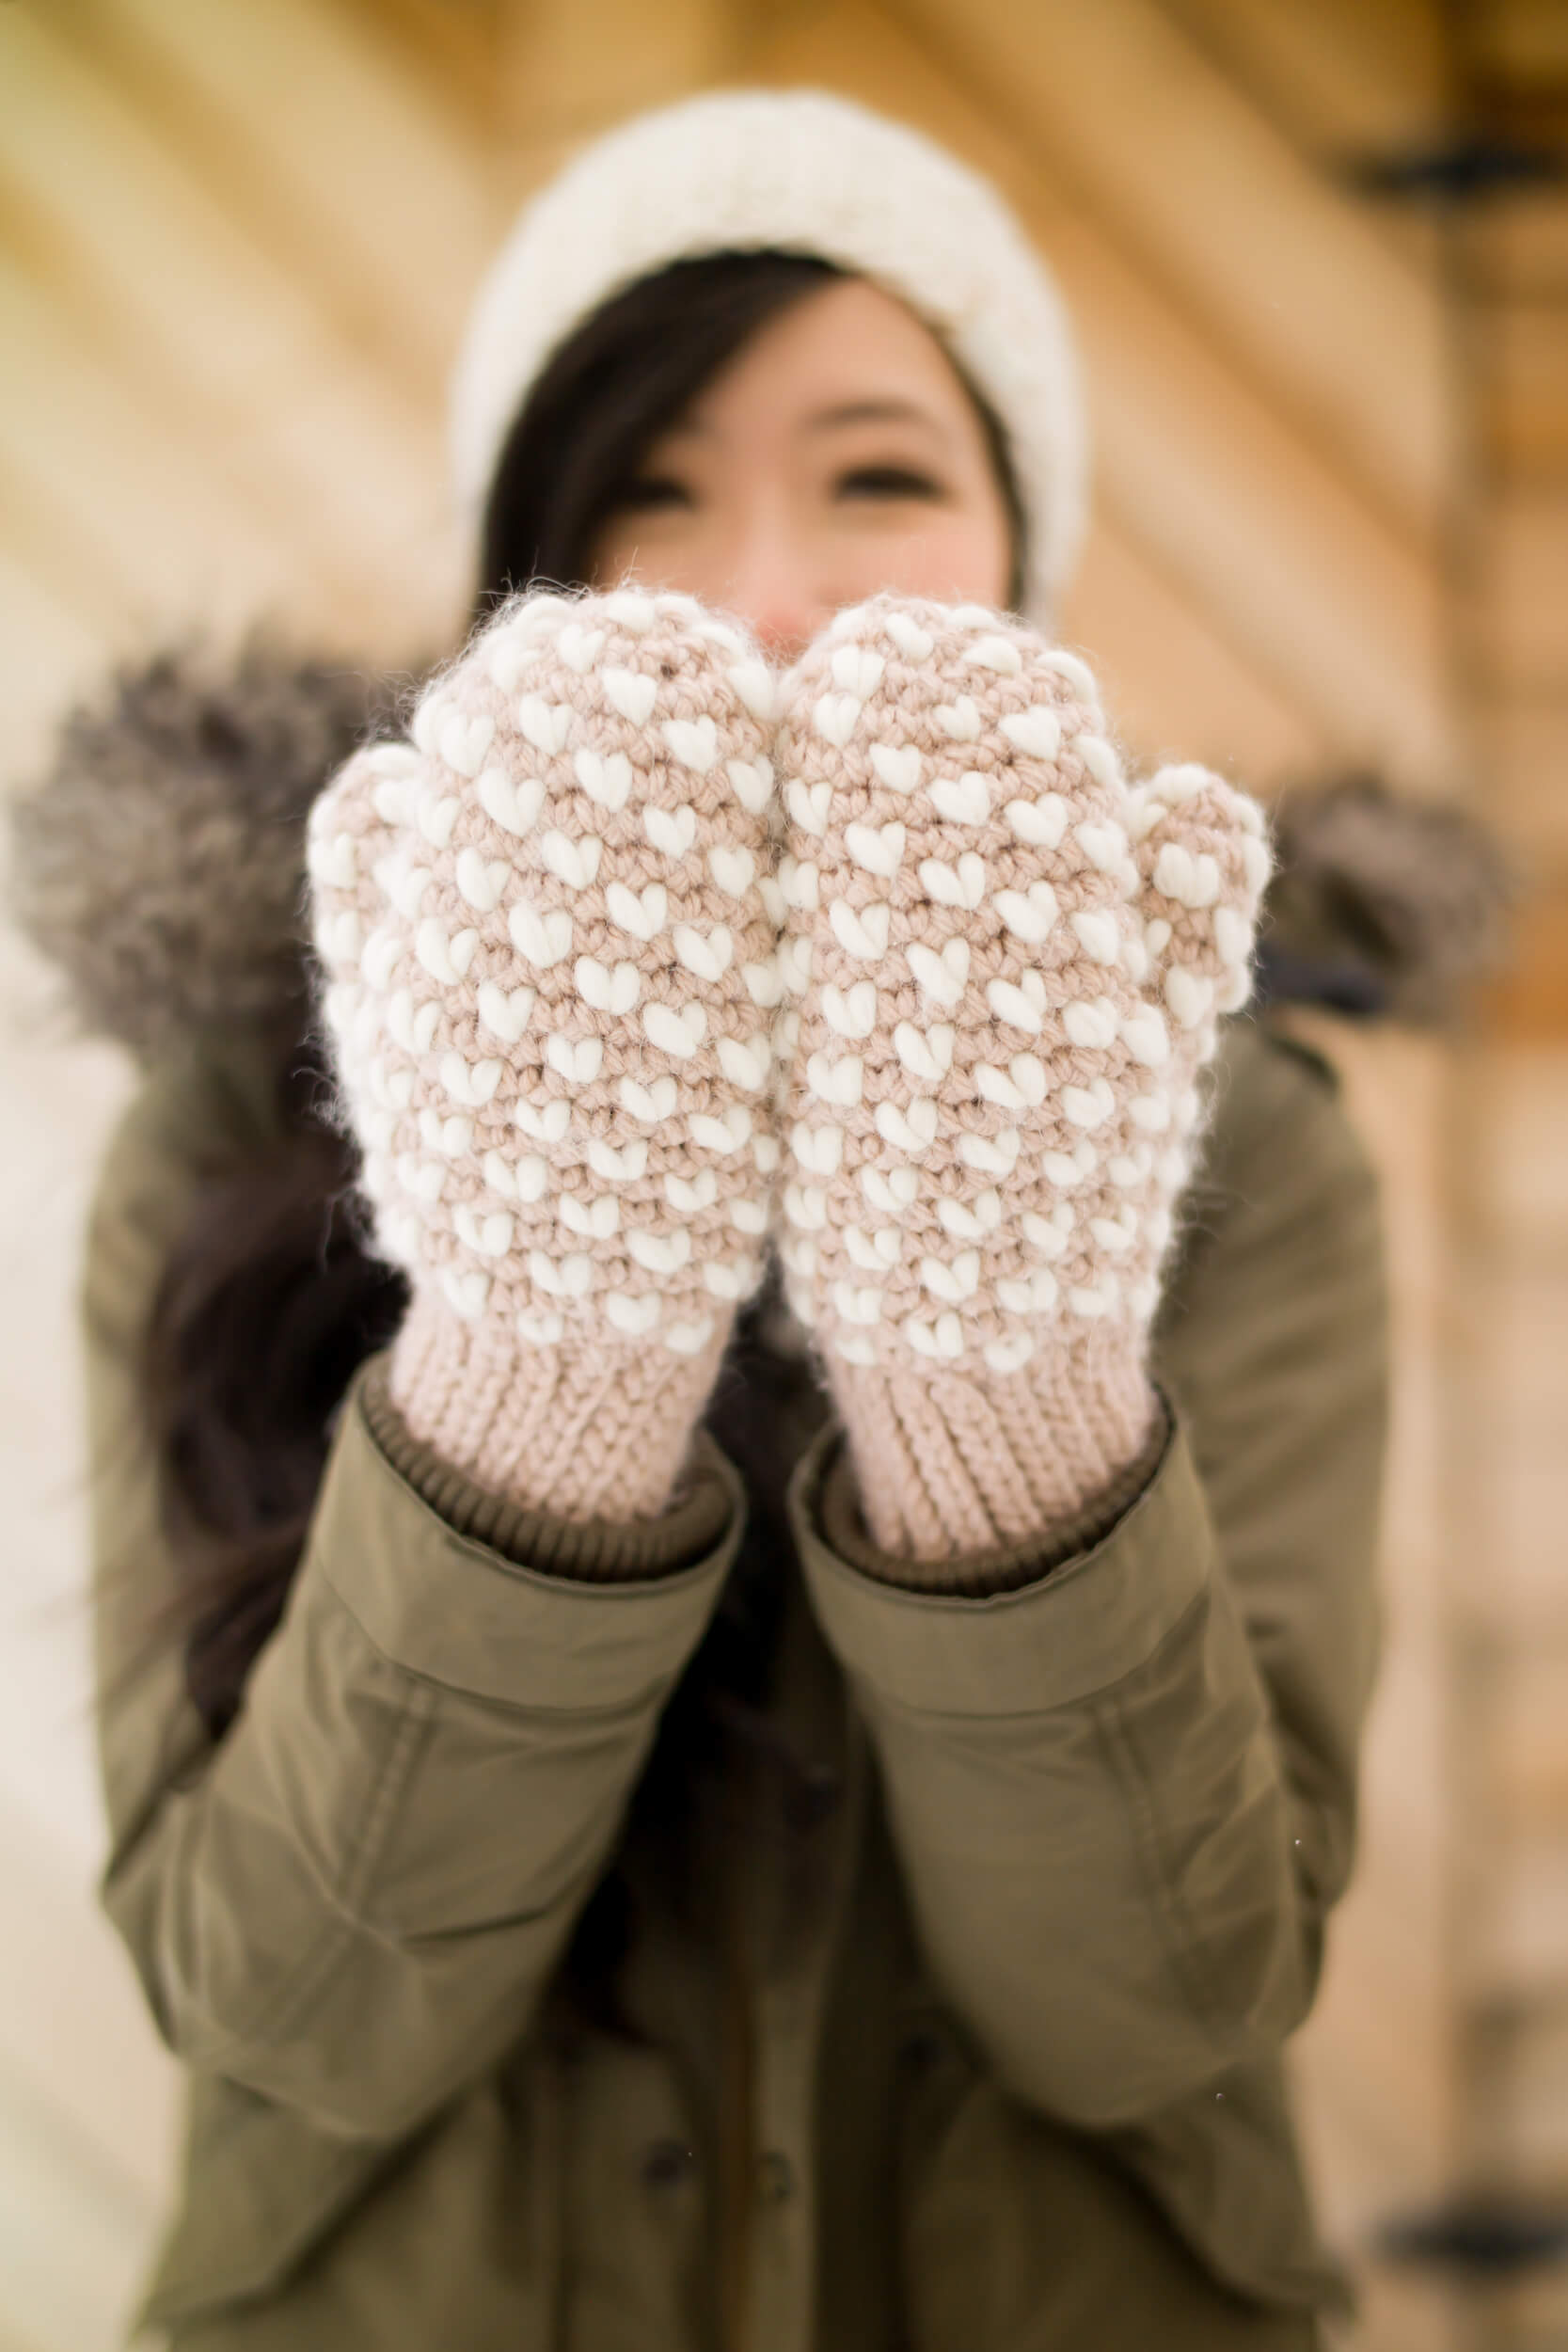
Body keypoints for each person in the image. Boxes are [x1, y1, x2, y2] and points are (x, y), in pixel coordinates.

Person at [13, 89, 1392, 2350]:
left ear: (1016, 568)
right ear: (515, 598)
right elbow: (289, 2017)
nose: (765, 590)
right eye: (642, 492)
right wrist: (543, 1360)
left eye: (879, 476)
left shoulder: (1249, 1142)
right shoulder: (243, 1114)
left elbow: (1166, 2009)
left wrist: (997, 1377)